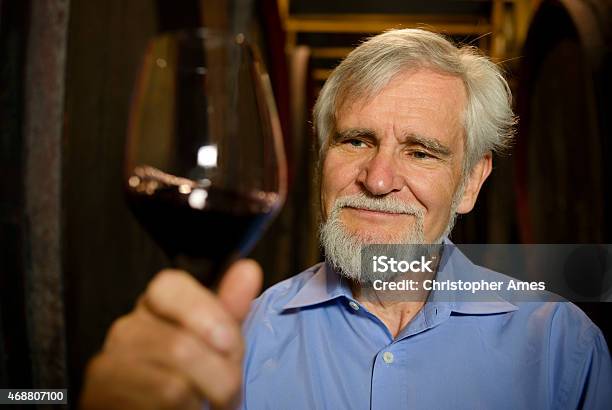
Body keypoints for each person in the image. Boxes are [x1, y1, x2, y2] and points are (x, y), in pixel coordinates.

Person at [81, 29, 612, 409]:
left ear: (471, 182)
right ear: (321, 159)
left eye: (420, 152)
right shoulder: (237, 337)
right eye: (355, 140)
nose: (377, 180)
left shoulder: (563, 349)